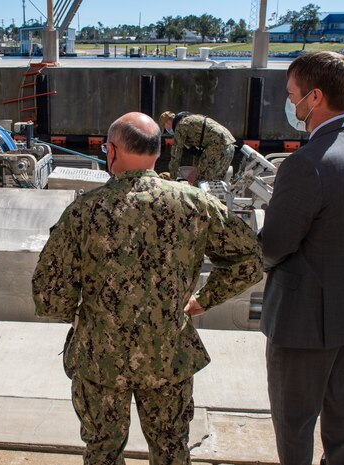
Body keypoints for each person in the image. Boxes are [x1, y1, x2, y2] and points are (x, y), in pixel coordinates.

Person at [32, 112, 262, 465]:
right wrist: (204, 299)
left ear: (111, 151)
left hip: (99, 362)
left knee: (102, 453)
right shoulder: (194, 204)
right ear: (157, 152)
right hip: (168, 359)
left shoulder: (85, 211)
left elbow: (48, 288)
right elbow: (248, 259)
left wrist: (78, 317)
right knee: (171, 452)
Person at [260, 51, 344, 465]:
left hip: (305, 325)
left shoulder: (306, 164)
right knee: (342, 408)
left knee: (295, 421)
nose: (288, 101)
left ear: (314, 98)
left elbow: (275, 244)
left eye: (291, 93)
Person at [158, 110, 236, 184]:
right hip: (230, 145)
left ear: (167, 123)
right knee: (216, 181)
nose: (167, 130)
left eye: (165, 128)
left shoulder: (180, 126)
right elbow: (197, 151)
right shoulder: (190, 120)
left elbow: (176, 155)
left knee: (200, 182)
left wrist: (172, 178)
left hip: (217, 146)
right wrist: (195, 169)